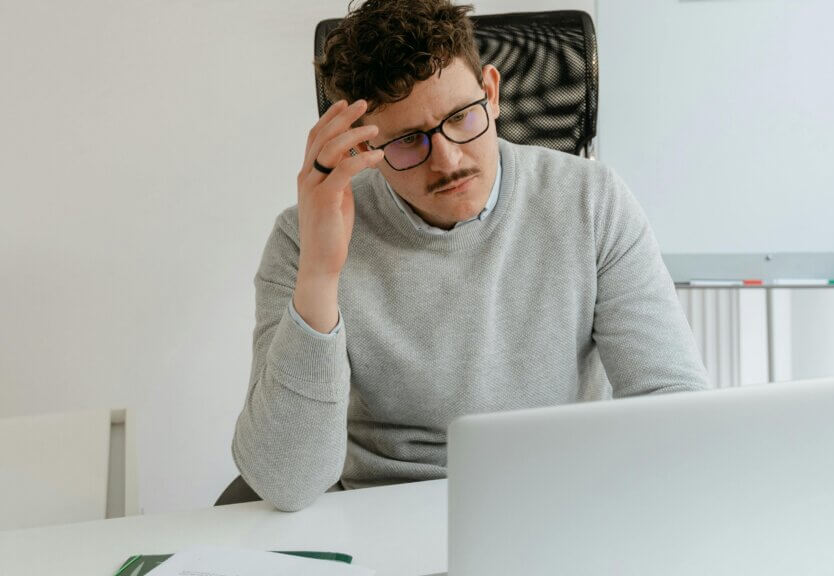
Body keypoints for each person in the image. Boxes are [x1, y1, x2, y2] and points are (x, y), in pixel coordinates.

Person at [232, 0, 708, 512]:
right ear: (361, 147)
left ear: (492, 92)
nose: (449, 159)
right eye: (409, 140)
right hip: (388, 510)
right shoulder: (304, 238)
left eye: (460, 117)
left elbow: (674, 407)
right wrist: (321, 276)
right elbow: (286, 481)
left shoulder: (591, 200)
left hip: (564, 502)